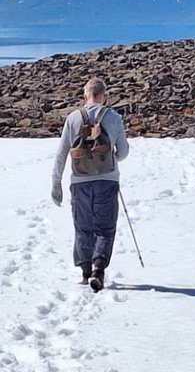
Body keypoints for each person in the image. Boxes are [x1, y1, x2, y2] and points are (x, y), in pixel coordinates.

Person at [51, 77, 129, 292]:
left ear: (85, 96)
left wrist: (56, 183)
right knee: (105, 228)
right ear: (104, 96)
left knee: (83, 227)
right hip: (107, 180)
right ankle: (99, 269)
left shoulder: (73, 118)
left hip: (79, 181)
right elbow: (122, 153)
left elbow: (61, 154)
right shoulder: (113, 117)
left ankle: (85, 272)